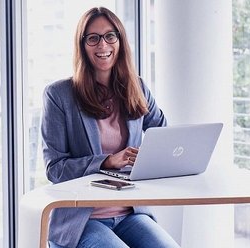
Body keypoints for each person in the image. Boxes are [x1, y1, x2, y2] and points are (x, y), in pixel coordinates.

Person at [41, 6, 180, 248]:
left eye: (109, 36)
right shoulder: (59, 95)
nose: (102, 45)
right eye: (92, 38)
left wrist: (153, 158)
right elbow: (55, 169)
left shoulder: (137, 88)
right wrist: (106, 161)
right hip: (82, 219)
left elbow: (165, 138)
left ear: (119, 40)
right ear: (82, 46)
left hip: (130, 213)